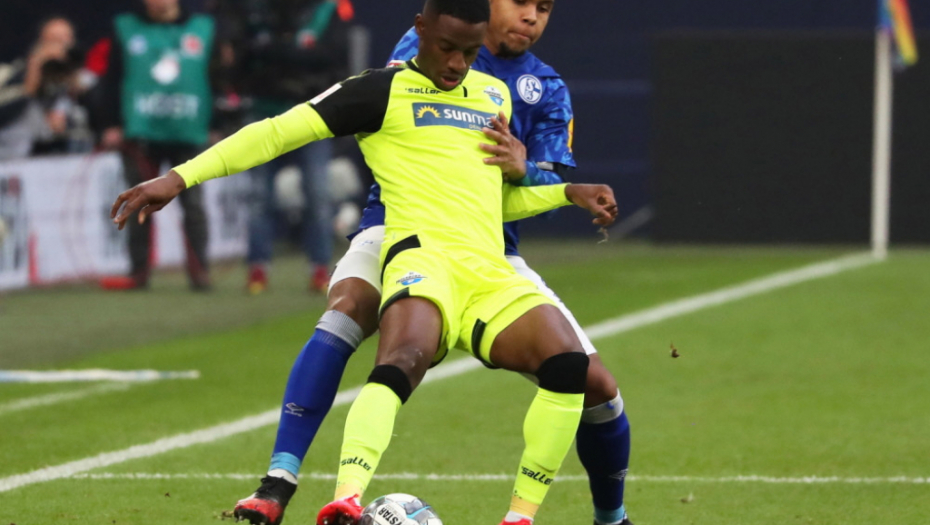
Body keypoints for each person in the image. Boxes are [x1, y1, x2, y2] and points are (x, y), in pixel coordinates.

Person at [110, 1, 617, 523]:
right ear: (420, 30)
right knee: (387, 346)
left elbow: (492, 197)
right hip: (417, 250)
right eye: (447, 48)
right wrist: (179, 177)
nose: (457, 64)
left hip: (487, 262)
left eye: (469, 53)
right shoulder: (379, 90)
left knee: (572, 367)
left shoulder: (494, 94)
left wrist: (566, 191)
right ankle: (318, 492)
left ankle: (523, 517)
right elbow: (275, 132)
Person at [213, 0, 355, 293]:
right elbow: (240, 57)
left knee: (317, 194)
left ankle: (319, 268)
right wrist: (289, 54)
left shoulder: (325, 10)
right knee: (259, 196)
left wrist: (278, 52)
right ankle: (258, 268)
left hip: (311, 115)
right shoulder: (256, 10)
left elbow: (333, 59)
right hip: (265, 112)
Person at [97, 0, 217, 291]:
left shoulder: (203, 28)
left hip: (189, 132)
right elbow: (111, 78)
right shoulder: (125, 27)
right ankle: (138, 272)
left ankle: (200, 271)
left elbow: (217, 77)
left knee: (194, 206)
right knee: (137, 202)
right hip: (141, 133)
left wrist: (216, 124)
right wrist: (110, 123)